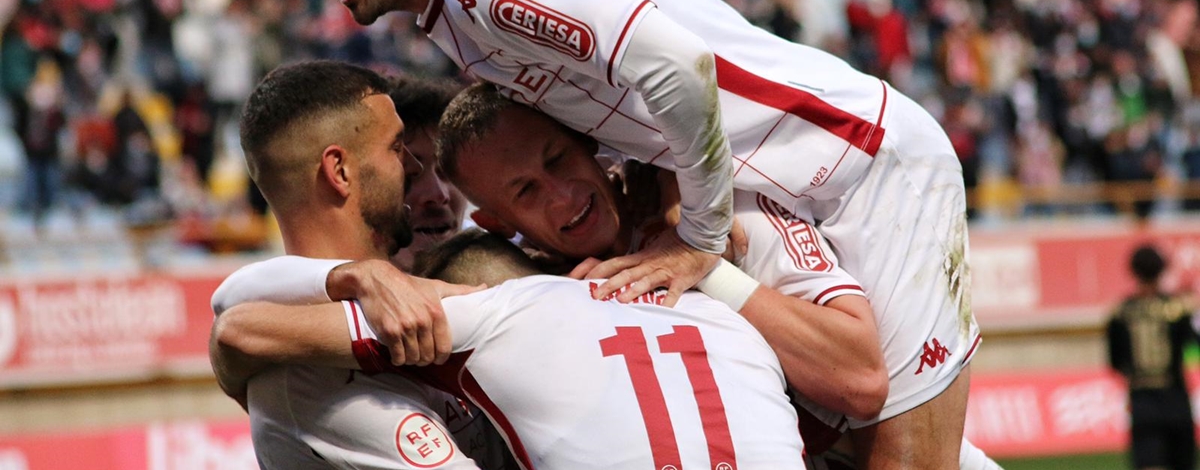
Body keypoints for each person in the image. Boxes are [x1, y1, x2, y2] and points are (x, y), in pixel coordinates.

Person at [299, 0, 975, 469]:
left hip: (866, 164)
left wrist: (699, 237)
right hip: (807, 175)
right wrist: (675, 183)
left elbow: (680, 63)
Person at [213, 229, 809, 470]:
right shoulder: (726, 317)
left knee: (285, 384)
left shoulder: (500, 311)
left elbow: (243, 330)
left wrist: (363, 279)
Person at [209, 60, 506, 470]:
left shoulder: (409, 290)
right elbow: (234, 327)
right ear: (340, 170)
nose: (417, 173)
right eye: (398, 148)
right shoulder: (305, 373)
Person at [1106, 244, 1198, 470]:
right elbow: (1194, 345)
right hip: (1176, 399)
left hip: (1142, 401)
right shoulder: (1177, 309)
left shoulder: (1121, 313)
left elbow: (1115, 362)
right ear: (1162, 271)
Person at [386, 75, 470, 270]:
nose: (438, 195)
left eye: (448, 170)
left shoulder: (517, 274)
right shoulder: (313, 292)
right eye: (408, 174)